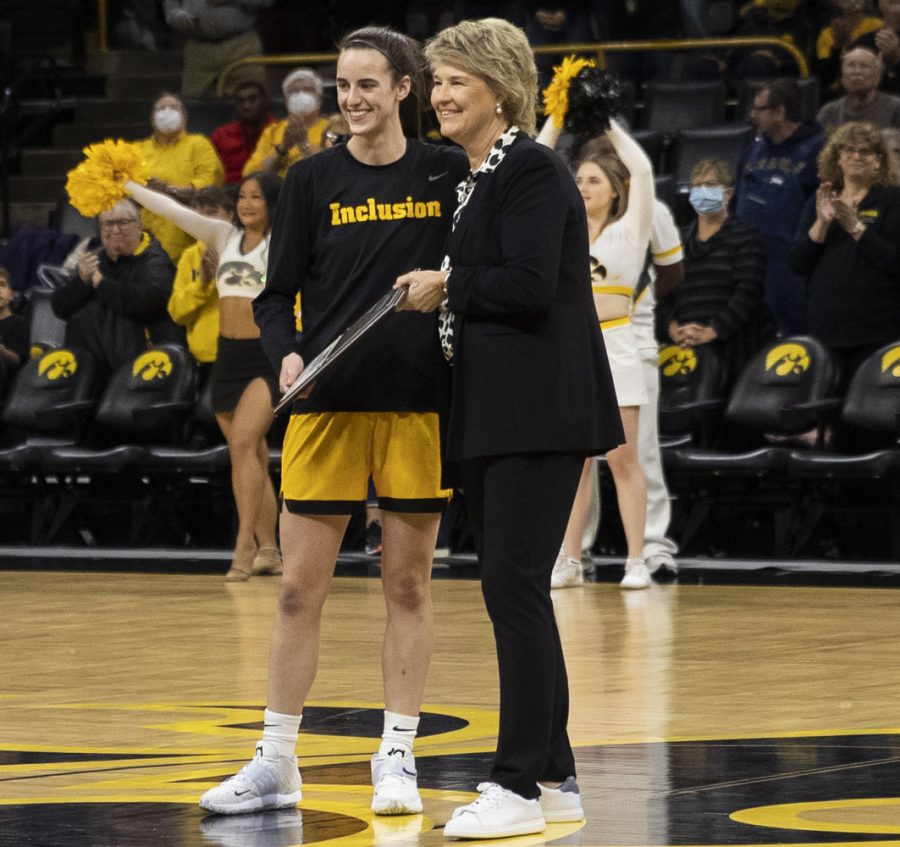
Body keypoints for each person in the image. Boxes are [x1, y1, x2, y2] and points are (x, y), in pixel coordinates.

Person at [197, 26, 468, 817]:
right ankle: (276, 759)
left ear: (403, 90)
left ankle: (397, 755)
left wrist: (448, 286)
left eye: (366, 85)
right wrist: (284, 356)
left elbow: (474, 269)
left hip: (420, 406)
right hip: (325, 406)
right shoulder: (311, 179)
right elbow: (276, 295)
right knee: (294, 590)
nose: (351, 99)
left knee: (408, 584)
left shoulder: (446, 171)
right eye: (343, 86)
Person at [397, 18, 623, 838]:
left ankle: (516, 784)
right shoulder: (474, 178)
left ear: (501, 88)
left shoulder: (530, 167)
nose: (442, 94)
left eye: (457, 80)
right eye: (437, 80)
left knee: (513, 590)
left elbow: (529, 284)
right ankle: (556, 778)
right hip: (497, 409)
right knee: (515, 593)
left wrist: (445, 281)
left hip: (538, 405)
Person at [123, 172, 281, 580]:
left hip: (266, 357)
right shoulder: (222, 237)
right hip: (228, 357)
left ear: (273, 204)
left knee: (245, 445)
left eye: (257, 198)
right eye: (242, 196)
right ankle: (271, 550)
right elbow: (170, 211)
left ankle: (243, 546)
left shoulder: (285, 244)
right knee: (252, 455)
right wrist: (124, 185)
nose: (247, 204)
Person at [790, 121, 900, 394]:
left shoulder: (892, 200)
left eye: (866, 151)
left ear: (878, 161)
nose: (856, 156)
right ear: (837, 158)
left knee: (866, 419)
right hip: (826, 328)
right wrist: (822, 224)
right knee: (826, 413)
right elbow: (798, 263)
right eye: (848, 149)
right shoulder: (820, 201)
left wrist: (855, 225)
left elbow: (894, 263)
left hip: (875, 330)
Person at [660, 158, 768, 390]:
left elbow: (747, 293)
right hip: (682, 349)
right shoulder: (676, 239)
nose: (701, 191)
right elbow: (659, 292)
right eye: (696, 186)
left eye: (709, 185)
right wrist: (672, 328)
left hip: (732, 352)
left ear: (727, 193)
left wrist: (713, 331)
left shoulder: (746, 237)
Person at [50, 199, 180, 384]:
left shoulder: (155, 259)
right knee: (84, 314)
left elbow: (149, 301)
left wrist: (101, 284)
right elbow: (60, 307)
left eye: (123, 223)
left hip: (146, 358)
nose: (115, 230)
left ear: (139, 226)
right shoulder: (95, 259)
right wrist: (82, 280)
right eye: (108, 224)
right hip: (96, 359)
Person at [733, 78, 824, 336]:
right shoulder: (753, 149)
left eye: (758, 109)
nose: (751, 116)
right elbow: (735, 200)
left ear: (779, 112)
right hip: (749, 263)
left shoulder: (818, 148)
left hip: (791, 268)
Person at [136, 93, 225, 263]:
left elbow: (209, 182)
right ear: (152, 118)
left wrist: (169, 190)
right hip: (146, 240)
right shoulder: (138, 149)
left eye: (173, 108)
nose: (167, 112)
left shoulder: (198, 144)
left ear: (185, 116)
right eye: (161, 108)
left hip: (187, 238)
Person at [166, 186, 235, 370]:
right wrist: (202, 284)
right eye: (198, 216)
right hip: (204, 359)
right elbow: (177, 313)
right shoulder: (189, 257)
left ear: (230, 215)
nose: (204, 221)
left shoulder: (250, 250)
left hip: (245, 353)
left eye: (212, 213)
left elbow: (263, 291)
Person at [162, 0, 274, 98]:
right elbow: (171, 3)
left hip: (242, 45)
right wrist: (176, 16)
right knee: (195, 104)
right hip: (199, 49)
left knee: (249, 99)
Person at [242, 69, 329, 178]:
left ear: (320, 98)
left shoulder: (332, 128)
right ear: (286, 100)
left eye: (308, 90)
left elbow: (335, 171)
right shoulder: (272, 132)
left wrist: (304, 146)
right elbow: (250, 174)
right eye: (294, 91)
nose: (300, 95)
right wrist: (282, 148)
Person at [817, 46, 900, 135]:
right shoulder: (828, 112)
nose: (857, 72)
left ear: (877, 76)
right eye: (851, 65)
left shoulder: (895, 107)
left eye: (864, 66)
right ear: (842, 77)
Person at [210, 81, 275, 184]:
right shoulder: (222, 134)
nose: (246, 106)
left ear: (265, 101)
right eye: (240, 101)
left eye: (253, 99)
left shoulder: (281, 132)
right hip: (228, 194)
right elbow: (210, 172)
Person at [815, 0, 884, 95]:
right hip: (836, 93)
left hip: (872, 89)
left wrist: (848, 42)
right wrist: (838, 45)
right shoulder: (827, 34)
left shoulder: (877, 26)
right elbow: (825, 78)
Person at [0, 267, 29, 392]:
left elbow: (17, 361)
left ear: (11, 294)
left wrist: (1, 350)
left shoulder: (19, 323)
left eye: (2, 285)